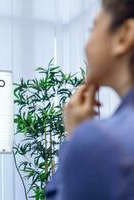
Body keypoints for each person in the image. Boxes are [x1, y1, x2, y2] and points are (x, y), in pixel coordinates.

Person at [46, 0, 134, 199]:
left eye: (92, 28)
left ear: (124, 36)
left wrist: (74, 136)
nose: (86, 45)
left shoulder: (102, 142)